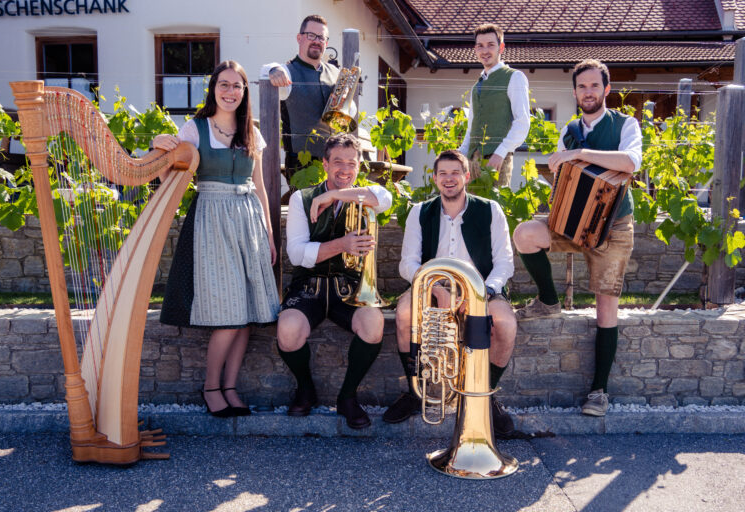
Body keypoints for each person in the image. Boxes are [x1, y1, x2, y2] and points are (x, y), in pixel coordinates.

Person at [513, 59, 642, 417]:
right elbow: (564, 175)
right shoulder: (569, 129)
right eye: (582, 87)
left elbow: (631, 163)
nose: (588, 92)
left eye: (594, 86)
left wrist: (581, 153)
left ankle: (598, 392)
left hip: (613, 229)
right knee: (524, 234)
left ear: (606, 89)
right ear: (575, 92)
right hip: (575, 222)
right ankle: (549, 300)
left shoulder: (625, 124)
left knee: (605, 309)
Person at [153, 60, 280, 417]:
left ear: (244, 92)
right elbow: (167, 178)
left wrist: (269, 235)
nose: (230, 92)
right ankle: (211, 387)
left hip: (248, 222)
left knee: (247, 313)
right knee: (228, 314)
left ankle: (230, 386)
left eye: (237, 86)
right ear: (213, 89)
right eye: (223, 85)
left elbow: (260, 187)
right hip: (212, 220)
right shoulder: (194, 129)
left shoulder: (252, 131)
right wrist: (159, 146)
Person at [383, 149, 517, 437]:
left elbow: (505, 263)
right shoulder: (420, 212)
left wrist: (480, 294)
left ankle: (486, 396)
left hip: (481, 287)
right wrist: (436, 289)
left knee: (504, 324)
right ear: (434, 178)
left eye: (455, 172)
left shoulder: (491, 210)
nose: (449, 178)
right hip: (433, 286)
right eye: (442, 173)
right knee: (405, 314)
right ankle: (414, 391)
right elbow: (408, 263)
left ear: (466, 176)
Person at [277, 133, 392, 429]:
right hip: (309, 286)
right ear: (325, 164)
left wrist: (335, 196)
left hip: (350, 288)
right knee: (288, 331)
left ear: (358, 167)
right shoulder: (301, 199)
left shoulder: (367, 195)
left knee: (373, 324)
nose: (345, 169)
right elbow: (297, 253)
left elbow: (386, 197)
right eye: (337, 161)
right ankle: (305, 388)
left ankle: (348, 396)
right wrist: (342, 245)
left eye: (351, 163)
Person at [261, 14, 354, 182]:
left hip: (336, 160)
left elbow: (350, 112)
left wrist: (346, 102)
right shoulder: (286, 71)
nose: (317, 41)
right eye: (311, 35)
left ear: (326, 43)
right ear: (299, 38)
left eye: (322, 37)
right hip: (301, 162)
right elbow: (265, 72)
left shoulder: (336, 74)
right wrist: (272, 69)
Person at [458, 23, 530, 188]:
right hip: (471, 161)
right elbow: (471, 128)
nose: (485, 51)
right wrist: (460, 155)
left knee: (494, 211)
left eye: (491, 45)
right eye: (480, 46)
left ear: (501, 47)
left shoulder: (514, 77)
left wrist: (500, 152)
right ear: (475, 50)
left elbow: (522, 122)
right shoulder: (476, 86)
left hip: (498, 160)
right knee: (470, 211)